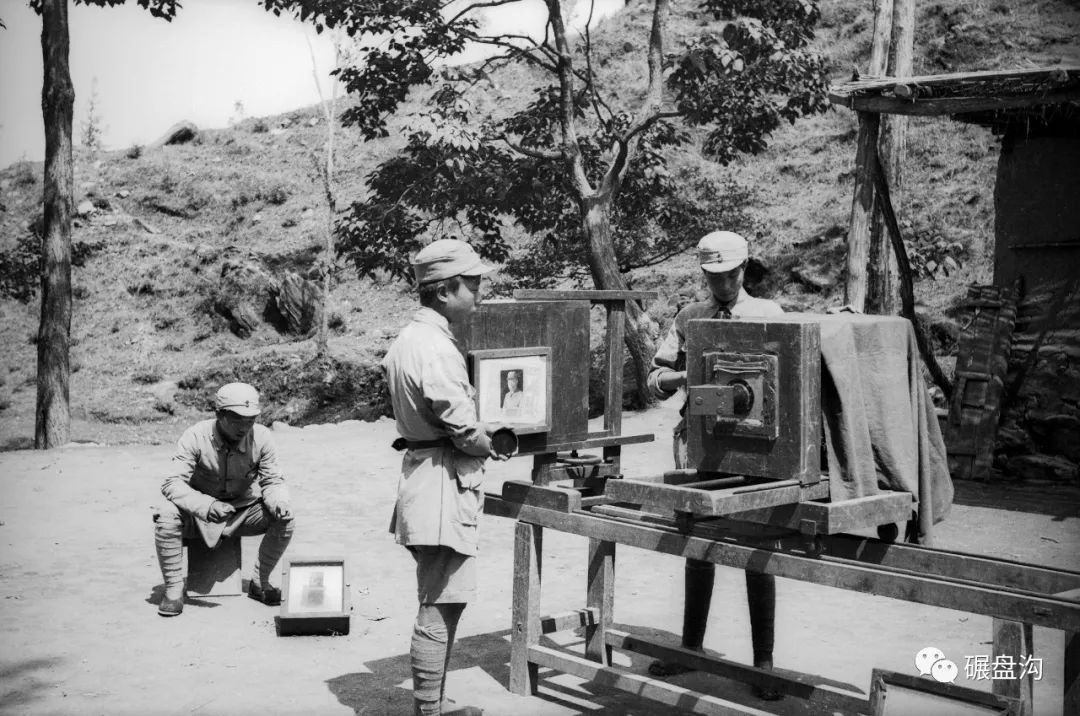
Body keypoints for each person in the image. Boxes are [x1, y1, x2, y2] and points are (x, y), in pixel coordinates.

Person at [646, 230, 785, 700]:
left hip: (757, 451)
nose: (722, 285)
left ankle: (763, 665)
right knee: (696, 544)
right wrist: (687, 375)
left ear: (744, 270)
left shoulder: (771, 316)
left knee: (756, 552)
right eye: (713, 277)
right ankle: (690, 649)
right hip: (703, 446)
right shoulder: (690, 317)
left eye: (730, 275)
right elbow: (655, 378)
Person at [382, 238, 509, 716]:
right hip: (440, 482)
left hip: (426, 475)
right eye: (471, 286)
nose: (478, 294)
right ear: (442, 291)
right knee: (440, 602)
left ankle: (430, 703)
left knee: (444, 596)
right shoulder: (435, 348)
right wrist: (492, 440)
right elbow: (461, 428)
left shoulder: (410, 340)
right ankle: (428, 710)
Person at [153, 382, 295, 617]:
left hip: (241, 512)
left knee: (285, 519)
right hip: (197, 515)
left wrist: (278, 502)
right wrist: (206, 506)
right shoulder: (196, 436)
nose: (244, 426)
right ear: (219, 415)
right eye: (237, 419)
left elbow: (273, 482)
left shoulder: (261, 437)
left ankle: (260, 583)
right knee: (166, 515)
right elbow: (172, 483)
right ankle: (174, 590)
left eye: (250, 419)